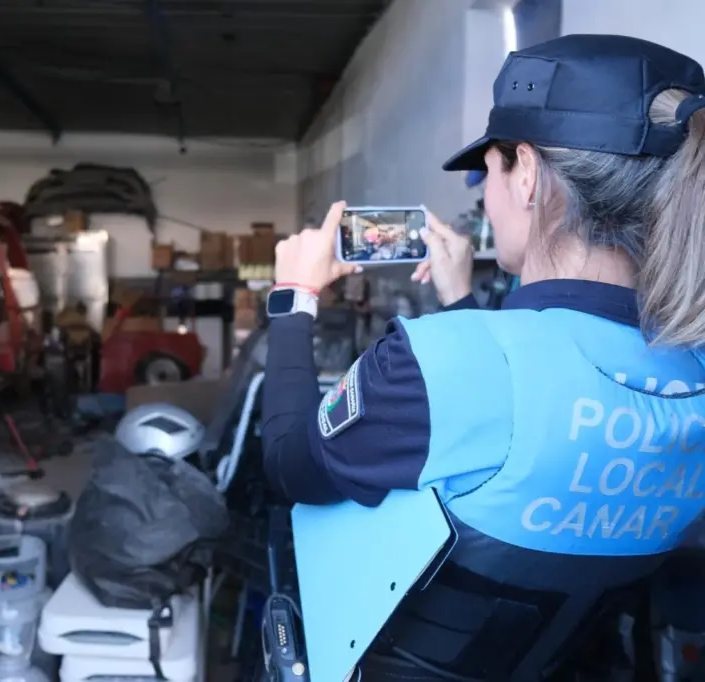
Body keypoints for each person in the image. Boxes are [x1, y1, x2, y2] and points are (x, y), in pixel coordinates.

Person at [261, 34, 705, 681]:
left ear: (525, 173)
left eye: (489, 171)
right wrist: (460, 304)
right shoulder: (691, 373)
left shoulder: (439, 365)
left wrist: (292, 298)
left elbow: (287, 464)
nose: (488, 195)